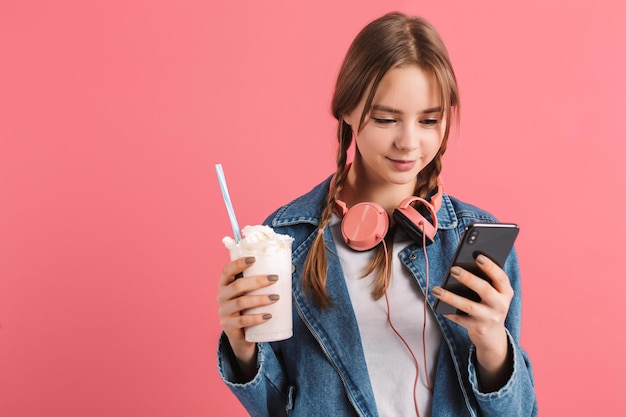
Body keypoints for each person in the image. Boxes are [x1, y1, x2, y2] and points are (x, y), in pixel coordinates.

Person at [216, 11, 537, 417]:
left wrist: (493, 345)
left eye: (429, 121)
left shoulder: (473, 244)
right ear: (347, 111)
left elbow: (522, 411)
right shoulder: (285, 242)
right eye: (386, 119)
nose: (408, 142)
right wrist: (243, 349)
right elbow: (274, 409)